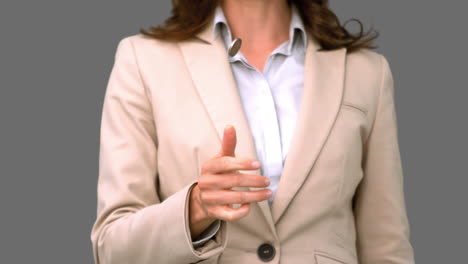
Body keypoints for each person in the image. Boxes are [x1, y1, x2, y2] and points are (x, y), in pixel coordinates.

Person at [91, 0, 415, 263]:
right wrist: (196, 208)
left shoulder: (367, 72)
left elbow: (386, 247)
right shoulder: (143, 60)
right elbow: (112, 249)